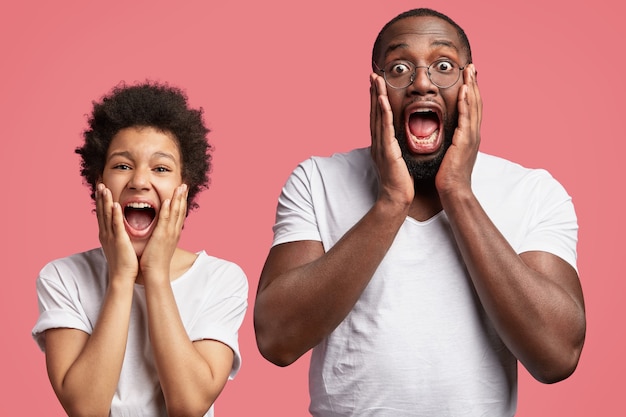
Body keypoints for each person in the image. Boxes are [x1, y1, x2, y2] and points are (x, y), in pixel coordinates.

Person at [254, 8, 586, 416]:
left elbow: (557, 357)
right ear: (376, 86)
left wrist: (458, 192)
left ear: (471, 84)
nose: (422, 83)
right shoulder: (316, 180)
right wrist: (392, 201)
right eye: (399, 68)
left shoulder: (534, 192)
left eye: (443, 65)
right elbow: (276, 340)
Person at [32, 82, 248, 417]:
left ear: (184, 188)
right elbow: (86, 410)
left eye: (161, 168)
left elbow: (189, 406)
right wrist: (121, 277)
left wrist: (155, 275)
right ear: (98, 182)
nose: (139, 181)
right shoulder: (63, 277)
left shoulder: (221, 279)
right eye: (121, 165)